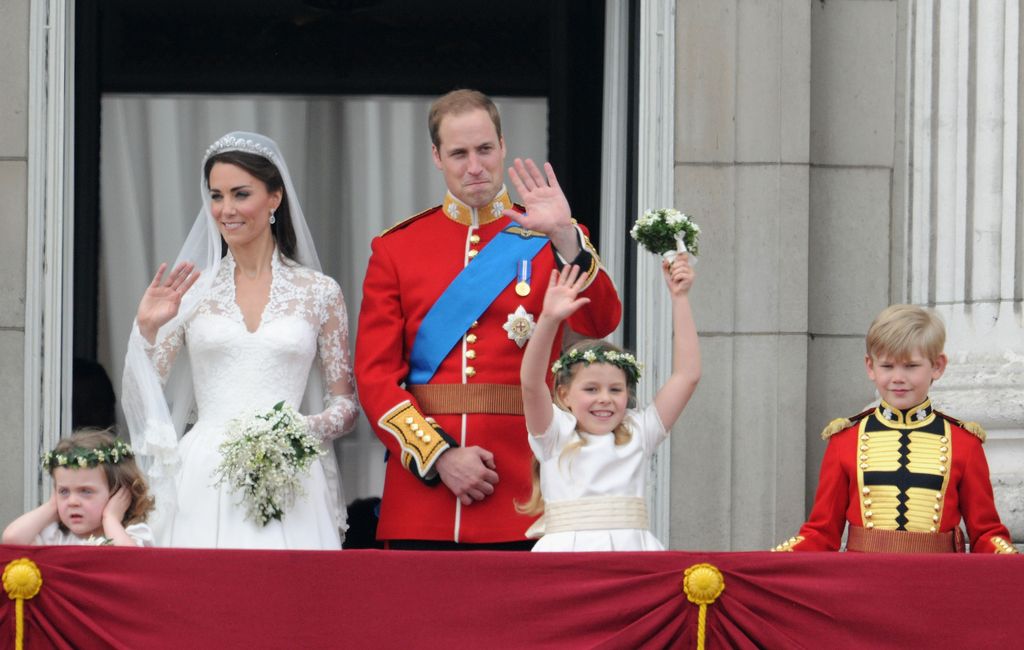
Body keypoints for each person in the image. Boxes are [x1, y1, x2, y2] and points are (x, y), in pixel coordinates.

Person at [355, 89, 622, 549]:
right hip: (424, 498)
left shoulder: (548, 236)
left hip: (525, 489)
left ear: (502, 146)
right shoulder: (397, 248)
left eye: (484, 149)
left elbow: (601, 321)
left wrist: (564, 235)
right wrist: (438, 455)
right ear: (437, 157)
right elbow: (375, 375)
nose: (474, 165)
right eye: (459, 153)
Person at [122, 131, 359, 549]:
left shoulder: (320, 292)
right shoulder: (191, 291)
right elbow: (143, 394)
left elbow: (345, 404)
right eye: (216, 196)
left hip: (291, 474)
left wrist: (304, 428)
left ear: (275, 198)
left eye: (240, 194)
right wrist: (145, 330)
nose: (225, 209)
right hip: (203, 475)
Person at [774, 305, 1018, 554]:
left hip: (936, 584)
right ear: (870, 367)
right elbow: (821, 533)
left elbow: (985, 533)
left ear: (937, 366)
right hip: (864, 584)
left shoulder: (964, 443)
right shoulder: (844, 440)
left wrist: (1007, 557)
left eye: (911, 366)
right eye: (887, 366)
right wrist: (774, 562)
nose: (898, 378)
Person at [518, 258, 700, 551]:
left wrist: (680, 298)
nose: (605, 398)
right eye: (591, 389)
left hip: (633, 555)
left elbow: (687, 375)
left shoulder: (640, 430)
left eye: (615, 389)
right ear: (564, 395)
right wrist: (549, 320)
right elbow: (530, 383)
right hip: (565, 558)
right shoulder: (554, 434)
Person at [2, 429, 155, 547]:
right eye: (64, 491)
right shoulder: (55, 536)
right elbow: (11, 539)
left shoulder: (132, 534)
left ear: (118, 493)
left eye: (86, 491)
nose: (72, 502)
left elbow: (131, 560)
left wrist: (111, 518)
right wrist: (52, 507)